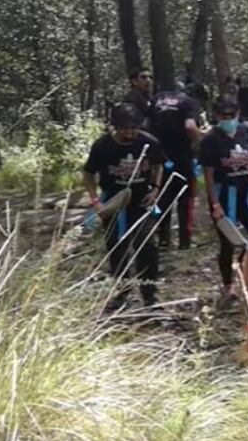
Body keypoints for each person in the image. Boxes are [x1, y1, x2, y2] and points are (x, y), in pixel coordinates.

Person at [82, 102, 164, 308]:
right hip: (113, 202)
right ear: (115, 126)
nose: (130, 133)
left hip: (141, 200)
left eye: (133, 128)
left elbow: (158, 165)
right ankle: (121, 292)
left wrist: (155, 189)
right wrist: (95, 201)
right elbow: (88, 173)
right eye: (125, 129)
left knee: (146, 245)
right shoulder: (102, 146)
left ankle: (150, 293)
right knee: (117, 246)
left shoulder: (148, 142)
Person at [200, 94, 248, 301]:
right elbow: (208, 174)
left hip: (246, 195)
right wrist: (214, 203)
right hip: (224, 196)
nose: (227, 119)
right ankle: (228, 286)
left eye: (231, 115)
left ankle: (244, 268)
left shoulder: (246, 132)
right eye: (223, 115)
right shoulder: (210, 140)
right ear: (217, 115)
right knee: (227, 242)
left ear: (238, 113)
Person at [149, 82, 202, 250]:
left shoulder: (157, 99)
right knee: (185, 199)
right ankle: (185, 241)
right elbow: (190, 126)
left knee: (162, 197)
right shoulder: (189, 102)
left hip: (159, 157)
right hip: (182, 156)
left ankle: (163, 240)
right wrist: (199, 144)